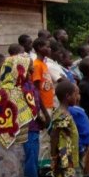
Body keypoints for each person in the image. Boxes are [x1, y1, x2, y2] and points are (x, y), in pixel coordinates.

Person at [50, 80, 88, 177]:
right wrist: (54, 157)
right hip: (65, 160)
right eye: (76, 94)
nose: (78, 97)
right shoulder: (62, 116)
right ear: (67, 96)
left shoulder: (63, 113)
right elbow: (54, 136)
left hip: (69, 157)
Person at [32, 37, 55, 167]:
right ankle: (42, 165)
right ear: (40, 48)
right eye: (47, 46)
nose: (50, 49)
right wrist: (43, 112)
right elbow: (36, 90)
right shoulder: (36, 65)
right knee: (44, 138)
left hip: (49, 105)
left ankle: (45, 163)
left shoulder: (43, 64)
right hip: (43, 107)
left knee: (47, 137)